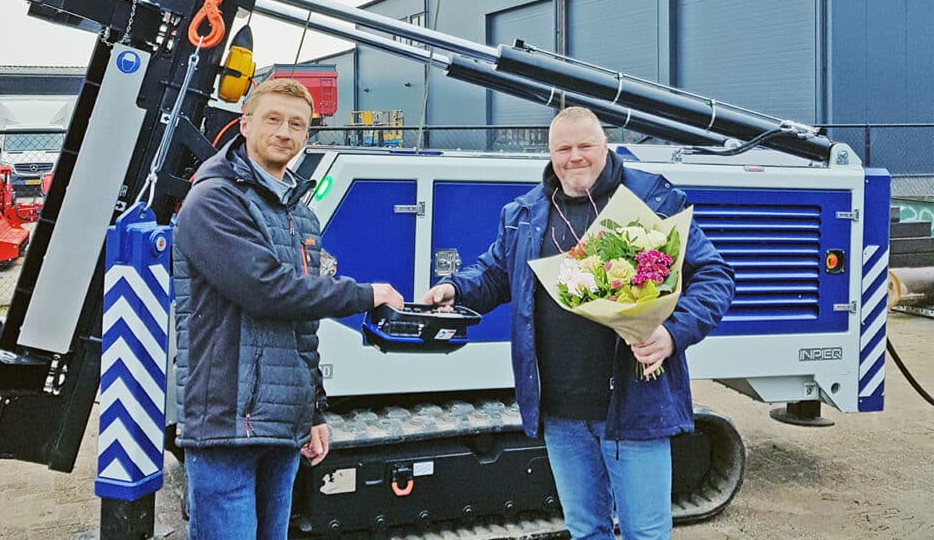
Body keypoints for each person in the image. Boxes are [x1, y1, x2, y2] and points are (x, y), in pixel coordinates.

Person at [423, 106, 735, 540]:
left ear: (605, 146)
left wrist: (670, 334)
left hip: (633, 407)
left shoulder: (651, 200)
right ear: (549, 154)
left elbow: (714, 276)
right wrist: (456, 288)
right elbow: (496, 272)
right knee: (586, 530)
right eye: (563, 148)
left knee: (646, 533)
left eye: (585, 146)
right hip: (561, 411)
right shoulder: (526, 213)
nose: (575, 157)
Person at [173, 78, 404, 540]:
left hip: (281, 423)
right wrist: (364, 294)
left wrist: (314, 412)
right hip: (227, 422)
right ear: (245, 124)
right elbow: (267, 290)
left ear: (306, 136)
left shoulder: (300, 214)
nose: (284, 132)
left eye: (296, 124)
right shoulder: (215, 199)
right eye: (273, 120)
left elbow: (302, 328)